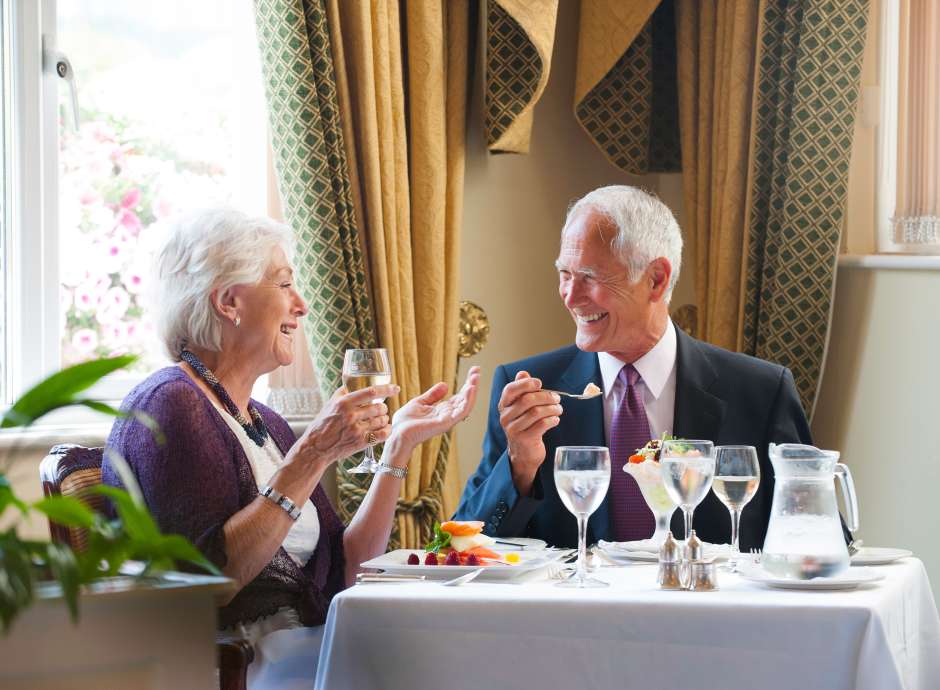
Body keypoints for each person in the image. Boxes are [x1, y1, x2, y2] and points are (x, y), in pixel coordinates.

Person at [104, 207, 480, 689]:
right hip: (246, 665)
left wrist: (398, 449)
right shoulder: (172, 405)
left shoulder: (264, 422)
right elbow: (211, 581)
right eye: (284, 285)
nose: (301, 305)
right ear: (228, 302)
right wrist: (313, 456)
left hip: (305, 648)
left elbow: (349, 567)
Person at [454, 185, 810, 550]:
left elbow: (815, 534)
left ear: (656, 279)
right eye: (565, 273)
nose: (570, 296)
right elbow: (466, 546)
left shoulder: (762, 392)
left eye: (590, 277)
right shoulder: (528, 389)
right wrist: (520, 466)